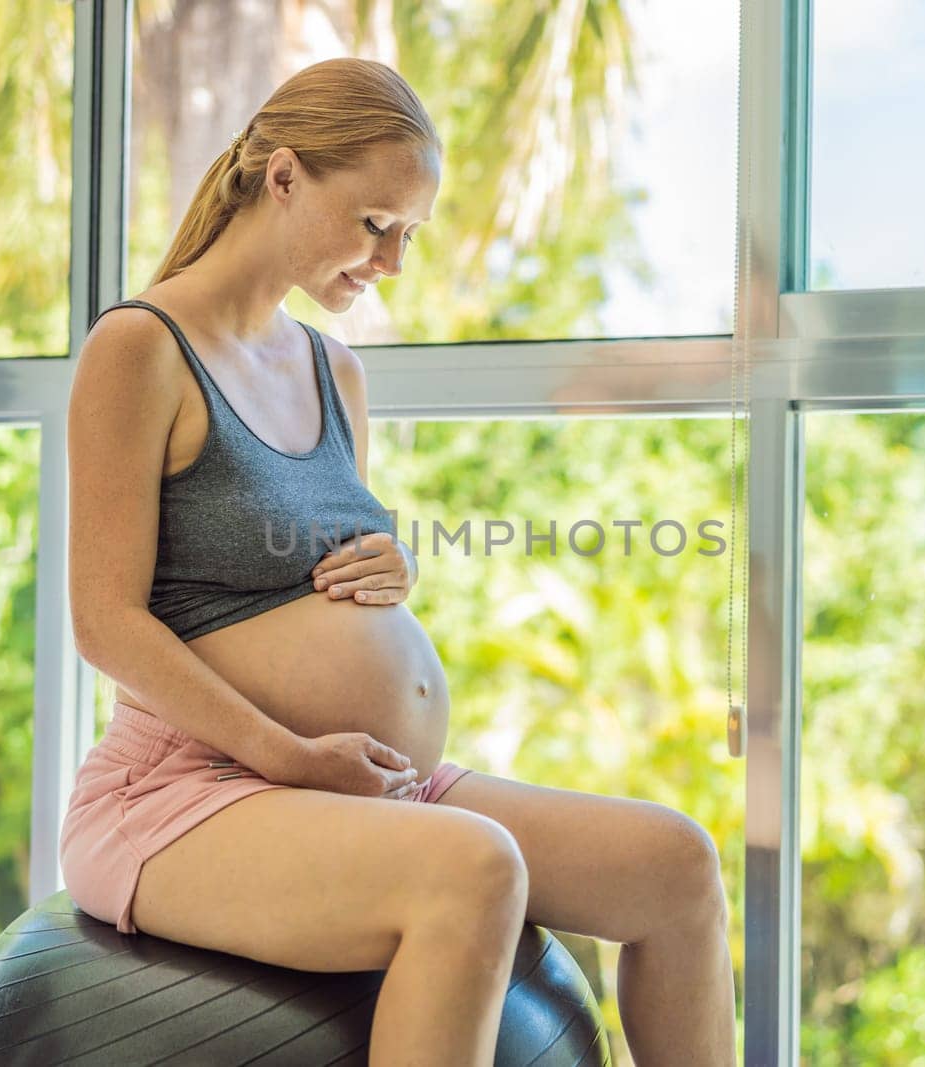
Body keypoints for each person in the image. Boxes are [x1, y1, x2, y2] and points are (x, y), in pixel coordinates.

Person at [59, 56, 736, 1065]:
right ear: (281, 176)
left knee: (676, 864)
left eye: (409, 235)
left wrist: (385, 569)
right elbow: (105, 621)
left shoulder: (337, 371)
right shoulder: (141, 346)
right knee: (473, 868)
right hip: (184, 789)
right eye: (377, 224)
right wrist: (289, 753)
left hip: (359, 779)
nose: (392, 263)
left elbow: (298, 570)